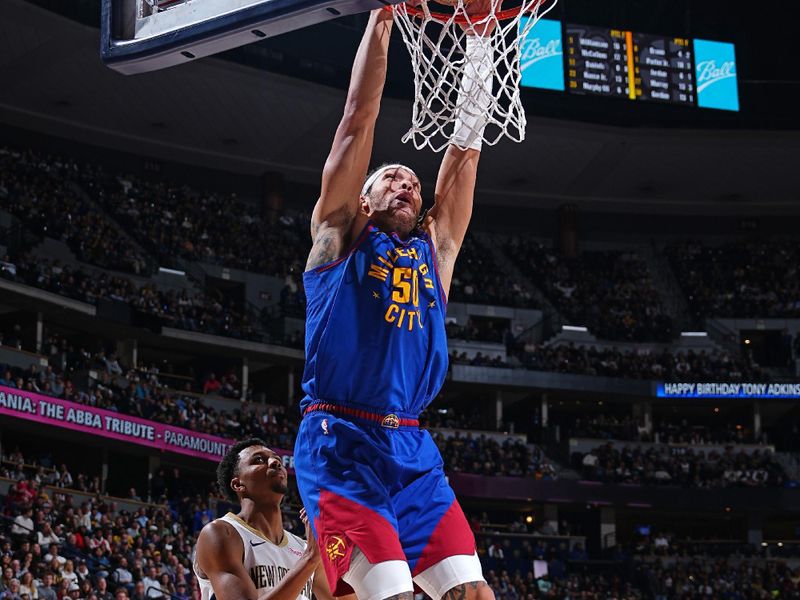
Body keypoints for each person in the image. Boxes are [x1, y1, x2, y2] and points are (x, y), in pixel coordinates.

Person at [294, 6, 496, 600]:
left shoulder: (436, 250)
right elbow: (358, 119)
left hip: (411, 446)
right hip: (340, 441)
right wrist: (381, 21)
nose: (407, 184)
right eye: (392, 178)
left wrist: (481, 46)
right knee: (390, 593)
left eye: (413, 180)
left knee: (474, 594)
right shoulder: (339, 232)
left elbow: (465, 151)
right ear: (362, 194)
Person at [194, 438, 340, 600]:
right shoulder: (221, 533)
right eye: (259, 460)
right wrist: (310, 558)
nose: (274, 463)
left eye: (277, 459)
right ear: (238, 484)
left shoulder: (304, 546)